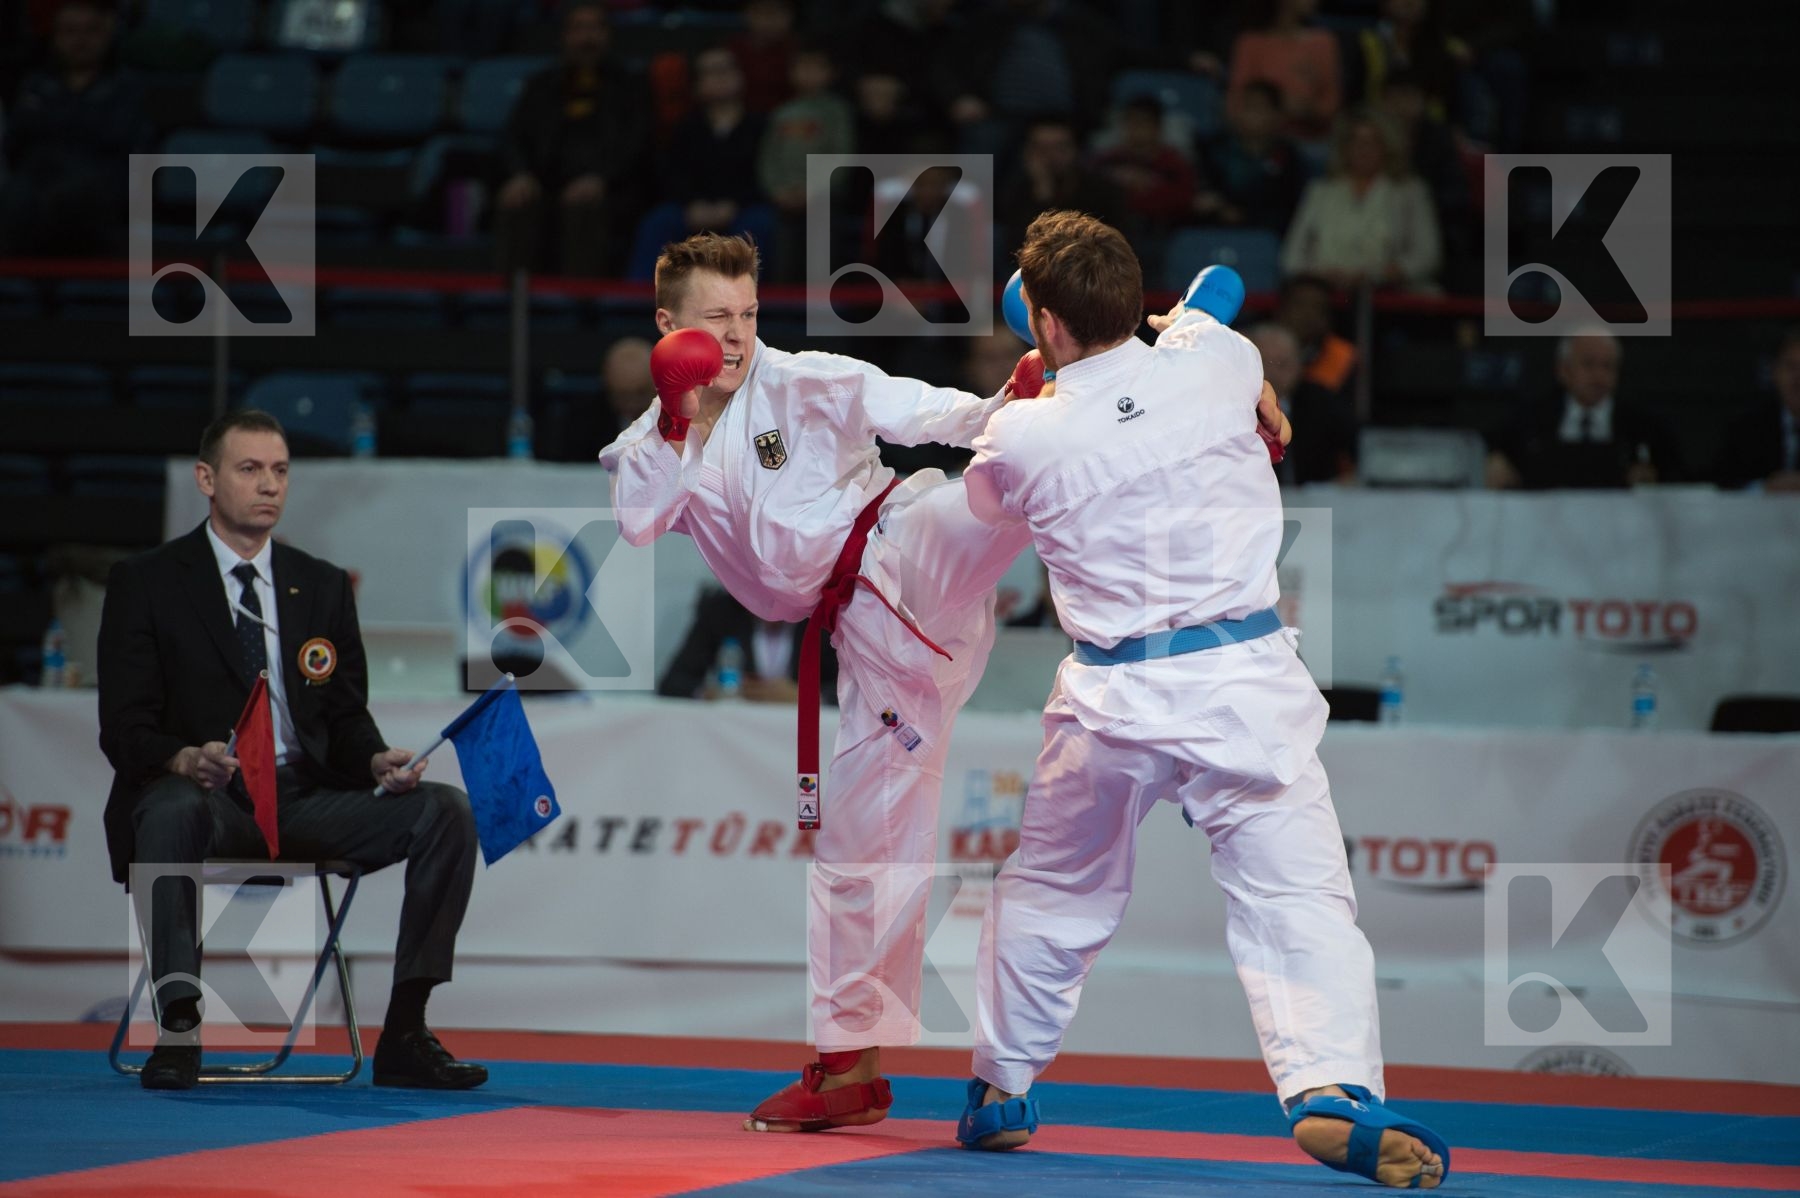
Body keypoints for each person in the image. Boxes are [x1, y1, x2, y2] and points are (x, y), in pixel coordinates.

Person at [958, 211, 1449, 1189]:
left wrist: (1051, 365)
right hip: (1243, 682)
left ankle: (1000, 1088)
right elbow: (1221, 279)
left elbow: (989, 503)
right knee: (1298, 895)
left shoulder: (1020, 433)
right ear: (1139, 303)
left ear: (1047, 330)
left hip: (1109, 695)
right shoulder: (1221, 359)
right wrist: (1195, 349)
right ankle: (1329, 1089)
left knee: (1056, 888)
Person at [601, 231, 1035, 1134]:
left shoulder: (802, 379)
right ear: (667, 324)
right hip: (879, 650)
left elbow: (918, 409)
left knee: (1001, 480)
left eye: (749, 314)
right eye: (716, 319)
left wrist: (1000, 406)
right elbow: (638, 520)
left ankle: (1058, 412)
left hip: (901, 549)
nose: (736, 335)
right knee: (860, 847)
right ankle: (851, 1067)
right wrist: (678, 417)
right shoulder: (654, 441)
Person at [97, 410, 485, 1092]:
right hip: (212, 798)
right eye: (250, 470)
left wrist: (373, 762)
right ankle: (179, 1027)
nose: (268, 485)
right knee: (166, 810)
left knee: (446, 810)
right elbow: (123, 729)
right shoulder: (147, 582)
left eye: (279, 471)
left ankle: (405, 1032)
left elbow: (342, 713)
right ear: (206, 479)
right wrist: (187, 757)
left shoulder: (322, 584)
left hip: (305, 797)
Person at [494, 0, 650, 278]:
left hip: (610, 188)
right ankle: (514, 303)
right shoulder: (541, 84)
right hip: (544, 183)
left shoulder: (630, 85)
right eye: (579, 29)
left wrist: (600, 178)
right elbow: (514, 136)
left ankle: (578, 305)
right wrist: (520, 174)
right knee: (518, 202)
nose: (586, 37)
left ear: (607, 35)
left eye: (594, 28)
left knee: (583, 206)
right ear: (565, 36)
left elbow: (636, 144)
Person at [0, 0, 151, 257]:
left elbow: (126, 144)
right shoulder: (35, 86)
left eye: (90, 31)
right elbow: (16, 144)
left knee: (70, 196)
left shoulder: (129, 88)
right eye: (70, 31)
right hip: (34, 194)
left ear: (108, 32)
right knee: (18, 196)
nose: (80, 40)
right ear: (55, 36)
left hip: (100, 198)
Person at [627, 48, 776, 280]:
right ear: (697, 85)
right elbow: (672, 174)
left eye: (725, 69)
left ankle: (746, 305)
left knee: (759, 223)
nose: (719, 77)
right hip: (691, 208)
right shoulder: (686, 129)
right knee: (659, 221)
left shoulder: (762, 126)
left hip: (744, 207)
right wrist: (692, 204)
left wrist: (733, 205)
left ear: (741, 76)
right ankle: (638, 303)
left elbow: (769, 173)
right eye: (710, 72)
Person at [1486, 331, 1682, 490]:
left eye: (1607, 367)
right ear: (1563, 370)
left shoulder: (1644, 427)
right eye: (1588, 365)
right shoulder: (1529, 420)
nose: (1599, 376)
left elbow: (1677, 476)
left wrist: (1654, 477)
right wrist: (1497, 463)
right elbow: (1494, 452)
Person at [1281, 109, 1442, 292]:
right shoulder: (1320, 191)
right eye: (1355, 141)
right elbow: (1291, 258)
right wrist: (1322, 276)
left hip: (1389, 295)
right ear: (1344, 146)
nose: (1363, 149)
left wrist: (1379, 275)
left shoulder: (1410, 191)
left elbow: (1427, 255)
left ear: (1387, 145)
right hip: (1325, 294)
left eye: (1372, 141)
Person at [757, 41, 855, 283]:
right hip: (783, 200)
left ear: (831, 73)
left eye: (817, 67)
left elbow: (842, 156)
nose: (809, 74)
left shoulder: (837, 111)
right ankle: (784, 307)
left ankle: (822, 305)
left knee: (822, 245)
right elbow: (768, 159)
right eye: (803, 67)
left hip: (824, 198)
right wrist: (778, 191)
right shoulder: (782, 112)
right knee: (781, 250)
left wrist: (812, 190)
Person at [658, 584, 838, 703]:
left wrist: (807, 698)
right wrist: (708, 693)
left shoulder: (823, 616)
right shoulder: (720, 611)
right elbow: (673, 682)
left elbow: (852, 688)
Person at [1247, 321, 1357, 484]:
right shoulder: (1237, 405)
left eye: (1283, 364)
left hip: (1317, 503)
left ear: (1299, 365)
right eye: (1265, 362)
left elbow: (1361, 446)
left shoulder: (1322, 401)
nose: (1273, 372)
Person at [1195, 79, 1305, 233]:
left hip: (1266, 237)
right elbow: (1204, 198)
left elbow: (1289, 211)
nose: (1248, 114)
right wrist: (1221, 209)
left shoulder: (1288, 158)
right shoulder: (1214, 150)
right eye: (1246, 106)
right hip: (1216, 231)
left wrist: (1246, 216)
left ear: (1277, 115)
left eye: (1258, 108)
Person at [1226, 0, 1342, 141]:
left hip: (1310, 141)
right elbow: (1236, 102)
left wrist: (1308, 110)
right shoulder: (1251, 43)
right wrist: (1274, 110)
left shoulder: (1324, 43)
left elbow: (1331, 104)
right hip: (1259, 140)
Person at [1092, 94, 1199, 234]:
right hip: (1112, 231)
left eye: (1143, 123)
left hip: (1161, 233)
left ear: (1157, 127)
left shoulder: (1174, 164)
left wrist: (1144, 188)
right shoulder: (1108, 161)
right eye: (1131, 122)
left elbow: (1184, 201)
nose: (1136, 130)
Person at [1715, 328, 1800, 492]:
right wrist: (1763, 488)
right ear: (1774, 372)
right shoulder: (1746, 428)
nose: (1798, 377)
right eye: (1790, 366)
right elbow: (1721, 482)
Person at [1275, 273, 1357, 397]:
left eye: (1317, 307)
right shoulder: (1258, 347)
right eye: (1300, 305)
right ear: (1281, 310)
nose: (1308, 315)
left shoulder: (1343, 355)